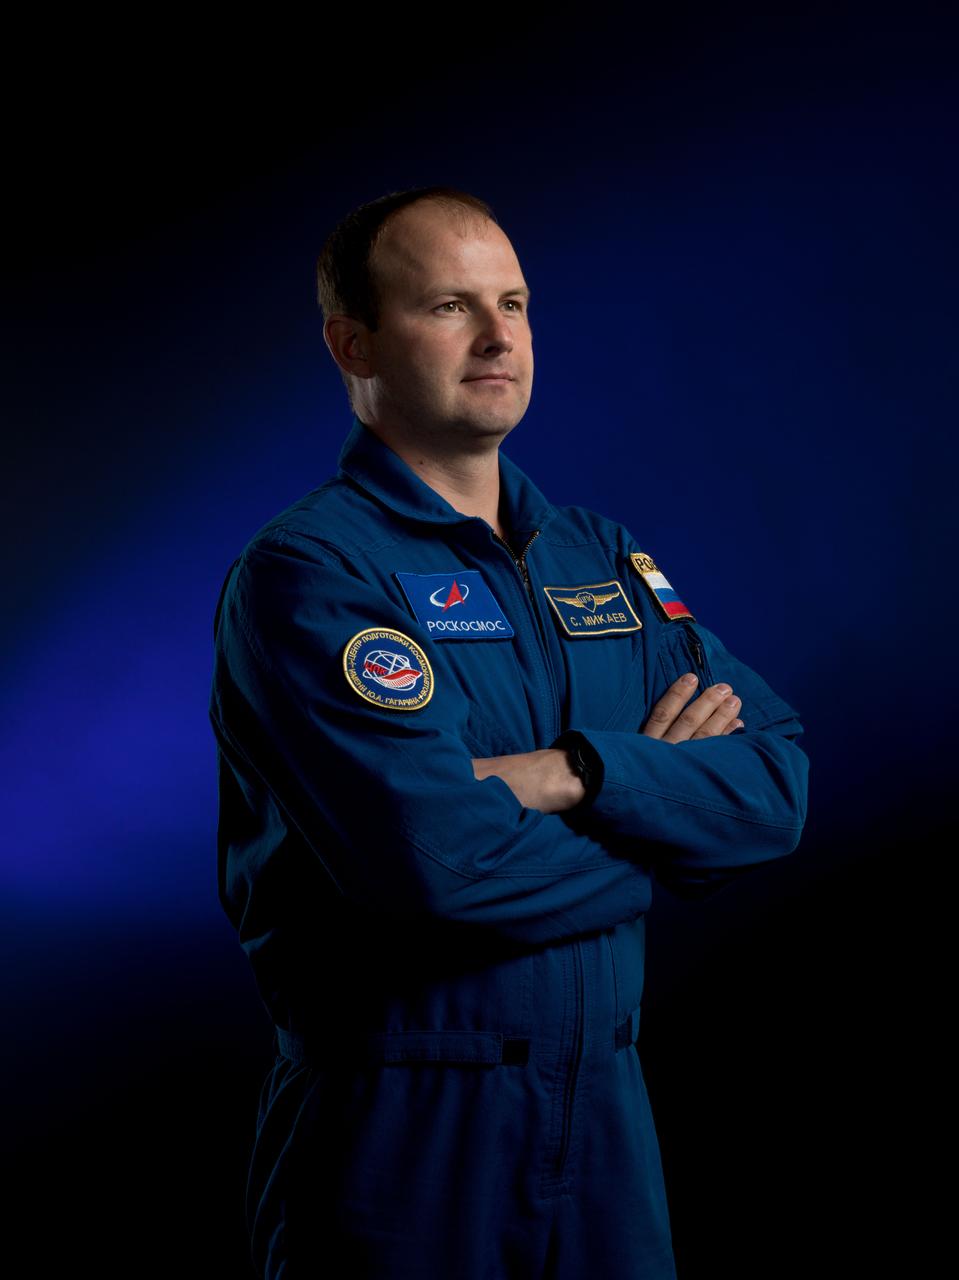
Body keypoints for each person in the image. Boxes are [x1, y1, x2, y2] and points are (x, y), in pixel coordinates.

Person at [209, 187, 808, 1279]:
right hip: (404, 1125)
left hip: (604, 1123)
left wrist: (568, 772)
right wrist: (662, 822)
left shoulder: (598, 556)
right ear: (355, 342)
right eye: (449, 304)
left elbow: (773, 786)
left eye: (514, 302)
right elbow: (432, 862)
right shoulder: (311, 573)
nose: (497, 336)